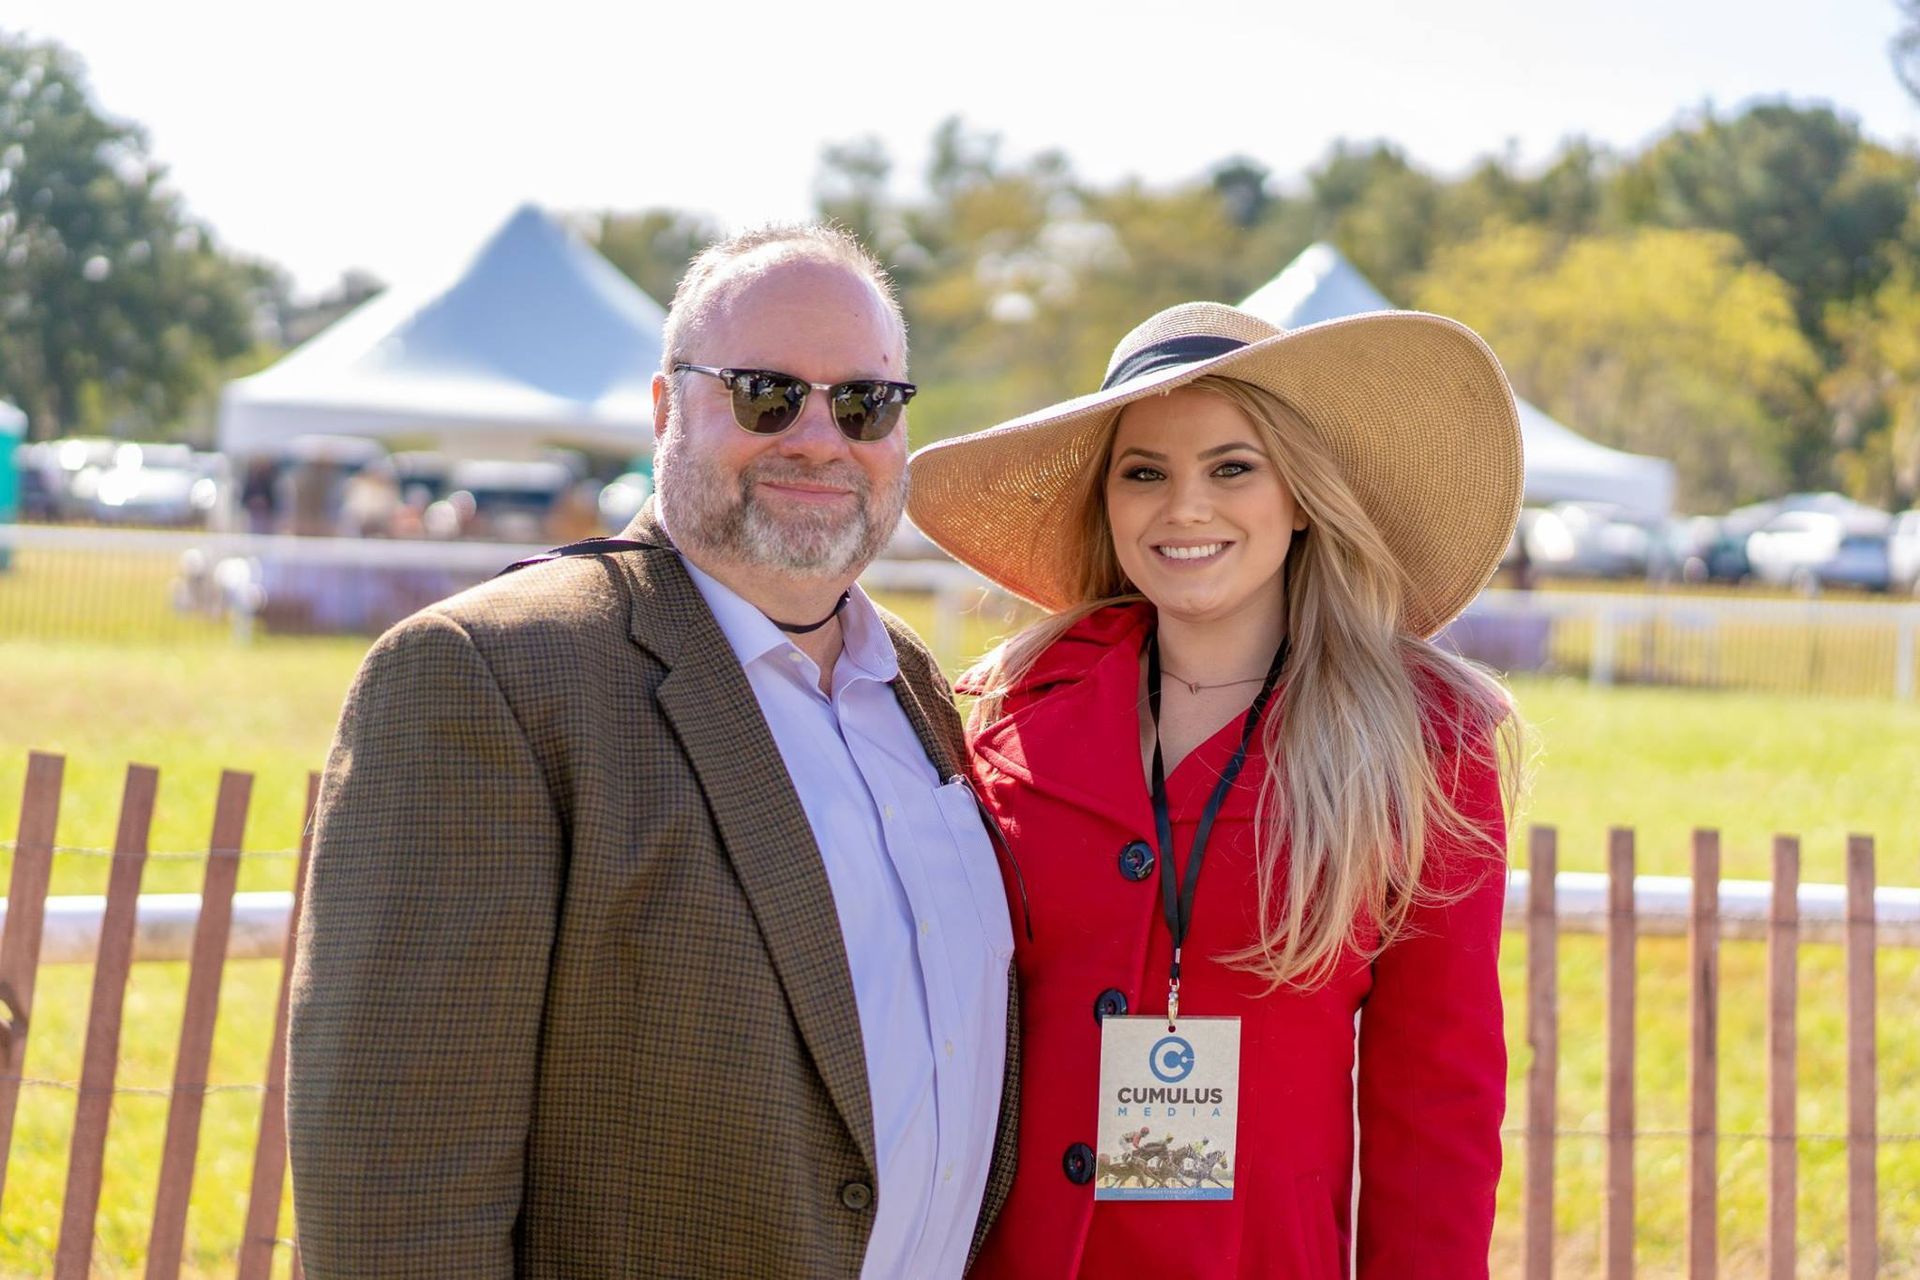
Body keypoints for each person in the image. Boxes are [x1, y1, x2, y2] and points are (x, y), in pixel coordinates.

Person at [288, 224, 1017, 1279]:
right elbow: (396, 1206)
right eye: (767, 394)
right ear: (668, 408)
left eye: (864, 402)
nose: (820, 438)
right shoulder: (488, 676)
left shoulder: (911, 681)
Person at [907, 301, 1526, 1278]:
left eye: (1232, 468)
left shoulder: (1424, 744)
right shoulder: (1004, 713)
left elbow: (1438, 1098)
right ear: (1107, 504)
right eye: (1144, 472)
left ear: (1303, 496)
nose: (1185, 507)